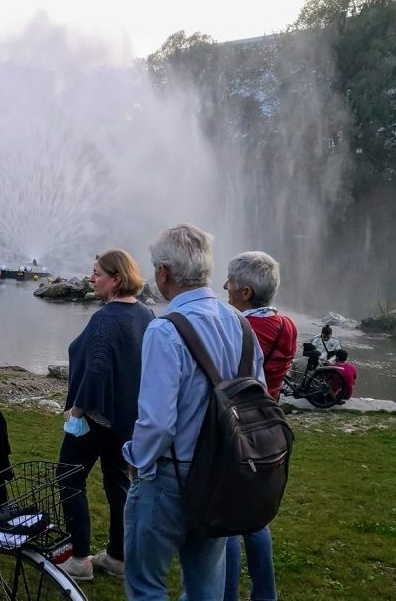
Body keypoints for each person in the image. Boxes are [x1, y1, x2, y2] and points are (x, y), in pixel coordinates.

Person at [123, 224, 265, 601]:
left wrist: (136, 461)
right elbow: (259, 398)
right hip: (223, 477)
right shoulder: (242, 325)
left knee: (146, 586)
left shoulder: (165, 330)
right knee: (206, 590)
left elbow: (157, 422)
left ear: (164, 273)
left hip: (170, 480)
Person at [56, 250, 155, 582]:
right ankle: (118, 557)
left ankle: (80, 559)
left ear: (116, 278)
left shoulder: (106, 319)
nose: (91, 277)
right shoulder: (146, 314)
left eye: (97, 272)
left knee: (68, 478)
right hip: (127, 420)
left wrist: (77, 410)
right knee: (118, 484)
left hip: (96, 419)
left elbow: (96, 370)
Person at [223, 250, 297, 601]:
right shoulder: (286, 324)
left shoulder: (243, 327)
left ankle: (225, 595)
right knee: (255, 518)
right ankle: (265, 594)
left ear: (246, 293)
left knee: (227, 521)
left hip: (238, 428)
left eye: (230, 283)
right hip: (269, 425)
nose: (224, 287)